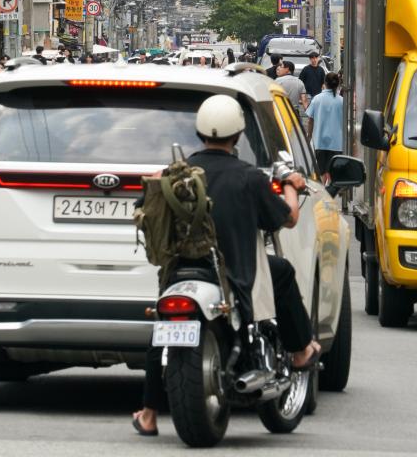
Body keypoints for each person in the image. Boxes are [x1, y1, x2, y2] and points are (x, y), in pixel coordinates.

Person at [132, 94, 319, 437]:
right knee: (283, 271)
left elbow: (145, 205)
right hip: (235, 275)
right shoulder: (249, 177)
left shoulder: (177, 176)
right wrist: (292, 186)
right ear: (238, 134)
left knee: (162, 330)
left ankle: (147, 412)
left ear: (200, 131)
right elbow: (288, 219)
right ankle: (301, 349)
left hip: (179, 273)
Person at [305, 72, 344, 183]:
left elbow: (310, 120)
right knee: (332, 171)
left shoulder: (317, 99)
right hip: (337, 143)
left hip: (320, 142)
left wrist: (309, 137)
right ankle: (331, 195)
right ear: (338, 84)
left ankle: (323, 195)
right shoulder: (342, 101)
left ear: (325, 83)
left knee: (322, 172)